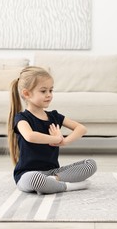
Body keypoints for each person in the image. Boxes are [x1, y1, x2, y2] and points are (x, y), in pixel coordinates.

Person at [7, 66, 97, 195]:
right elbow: (30, 136)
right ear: (27, 93)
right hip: (28, 174)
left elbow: (81, 128)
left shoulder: (54, 116)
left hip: (53, 171)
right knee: (34, 179)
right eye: (43, 91)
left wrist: (64, 141)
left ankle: (54, 181)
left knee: (90, 164)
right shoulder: (21, 118)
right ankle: (68, 186)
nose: (49, 95)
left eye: (51, 90)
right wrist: (55, 138)